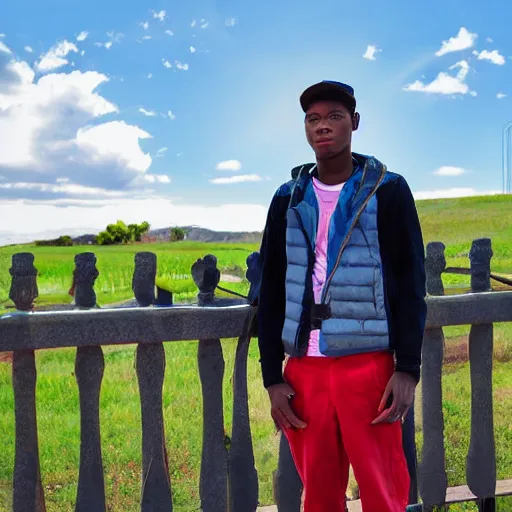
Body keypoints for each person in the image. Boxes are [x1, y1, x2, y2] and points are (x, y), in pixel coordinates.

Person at [257, 80, 426, 512]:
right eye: (313, 119)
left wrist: (407, 368)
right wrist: (273, 378)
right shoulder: (287, 198)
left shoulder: (387, 190)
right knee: (317, 495)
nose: (323, 126)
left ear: (354, 122)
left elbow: (410, 284)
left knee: (383, 490)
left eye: (334, 116)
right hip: (305, 373)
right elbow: (273, 286)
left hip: (367, 367)